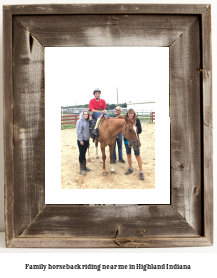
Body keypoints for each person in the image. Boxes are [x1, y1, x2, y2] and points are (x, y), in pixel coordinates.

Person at [124, 108, 144, 180]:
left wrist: (133, 133)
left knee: (137, 155)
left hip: (135, 140)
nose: (131, 115)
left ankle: (141, 171)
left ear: (134, 114)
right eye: (129, 113)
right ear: (127, 114)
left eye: (132, 113)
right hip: (127, 140)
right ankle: (130, 168)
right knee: (128, 155)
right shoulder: (125, 121)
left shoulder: (137, 120)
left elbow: (140, 130)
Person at [76, 111, 92, 175]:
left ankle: (84, 166)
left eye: (87, 114)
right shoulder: (79, 121)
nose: (86, 115)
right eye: (84, 114)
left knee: (84, 153)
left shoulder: (88, 121)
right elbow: (78, 132)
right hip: (81, 141)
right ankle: (81, 168)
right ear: (82, 115)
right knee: (81, 154)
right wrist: (81, 140)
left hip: (86, 140)